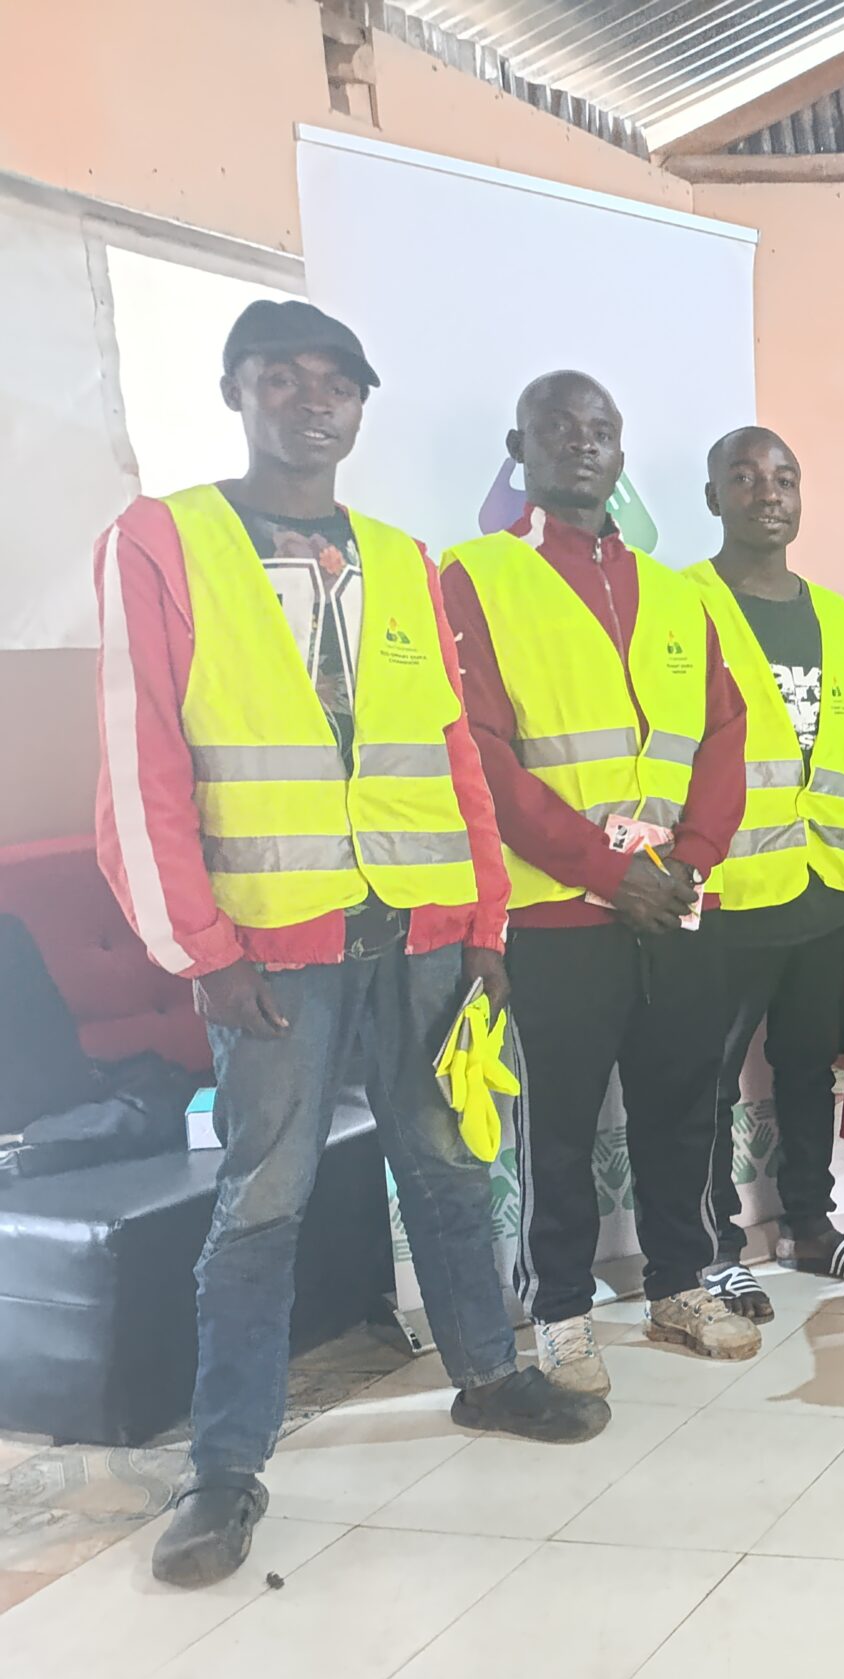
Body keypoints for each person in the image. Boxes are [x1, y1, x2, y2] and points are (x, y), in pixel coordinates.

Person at [96, 303, 609, 1585]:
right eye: (282, 379)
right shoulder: (166, 542)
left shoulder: (401, 557)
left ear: (360, 409)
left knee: (444, 1164)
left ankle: (486, 1373)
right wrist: (200, 952)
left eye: (335, 384)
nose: (311, 402)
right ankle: (225, 1469)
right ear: (236, 391)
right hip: (271, 948)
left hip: (424, 931)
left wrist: (486, 918)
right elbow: (138, 758)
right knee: (263, 1200)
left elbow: (451, 759)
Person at [447, 371, 761, 1392]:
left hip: (675, 903)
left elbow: (724, 730)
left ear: (620, 454)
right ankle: (563, 1312)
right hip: (556, 911)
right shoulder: (477, 575)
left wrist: (690, 860)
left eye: (601, 431)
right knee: (563, 1124)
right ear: (520, 445)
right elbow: (484, 754)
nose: (582, 445)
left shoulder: (675, 592)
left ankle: (680, 1286)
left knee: (681, 1107)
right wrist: (603, 869)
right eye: (559, 429)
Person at [687, 427, 844, 1313]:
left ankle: (811, 1225)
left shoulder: (836, 614)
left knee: (810, 1069)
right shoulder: (683, 602)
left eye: (783, 478)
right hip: (729, 893)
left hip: (821, 891)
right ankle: (711, 1246)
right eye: (745, 477)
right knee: (706, 1073)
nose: (767, 493)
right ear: (714, 498)